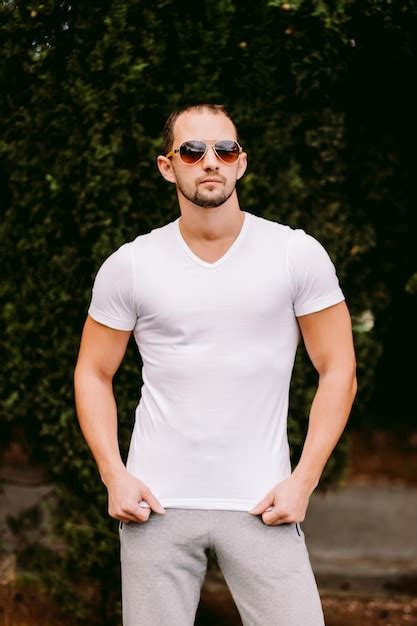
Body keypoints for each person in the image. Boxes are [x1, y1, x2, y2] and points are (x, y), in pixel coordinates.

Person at [74, 103, 357, 626]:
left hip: (264, 503)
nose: (211, 162)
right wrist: (114, 474)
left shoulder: (295, 254)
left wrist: (304, 480)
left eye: (224, 150)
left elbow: (338, 367)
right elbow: (93, 371)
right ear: (168, 166)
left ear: (241, 163)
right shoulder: (131, 264)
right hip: (154, 505)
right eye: (192, 150)